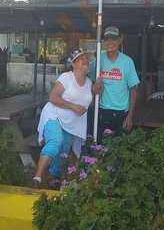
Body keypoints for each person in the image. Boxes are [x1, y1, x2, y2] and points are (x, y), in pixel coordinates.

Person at [33, 49, 92, 187]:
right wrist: (73, 107)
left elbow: (88, 101)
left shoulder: (89, 83)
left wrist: (97, 90)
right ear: (74, 64)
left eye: (86, 58)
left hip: (71, 123)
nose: (85, 60)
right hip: (54, 114)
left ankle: (53, 180)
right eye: (81, 58)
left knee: (64, 152)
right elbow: (53, 97)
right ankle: (37, 178)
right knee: (56, 141)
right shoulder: (66, 77)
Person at [92, 26, 140, 142]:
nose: (110, 42)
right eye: (107, 39)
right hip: (103, 111)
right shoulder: (98, 60)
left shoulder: (127, 61)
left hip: (122, 112)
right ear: (103, 41)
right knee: (101, 147)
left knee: (120, 149)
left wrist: (130, 116)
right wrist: (95, 88)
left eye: (113, 39)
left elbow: (133, 89)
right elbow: (92, 86)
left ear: (119, 40)